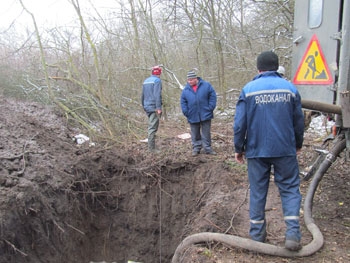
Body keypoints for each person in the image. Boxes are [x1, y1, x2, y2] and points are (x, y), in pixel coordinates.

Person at [233, 51, 305, 251]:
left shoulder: (248, 89)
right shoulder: (290, 89)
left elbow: (240, 124)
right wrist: (297, 143)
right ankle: (292, 234)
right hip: (284, 148)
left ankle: (257, 236)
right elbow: (299, 121)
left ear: (259, 69)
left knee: (258, 190)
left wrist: (239, 148)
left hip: (256, 149)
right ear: (276, 67)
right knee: (290, 189)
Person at [180, 70, 217, 156]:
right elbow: (183, 102)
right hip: (192, 114)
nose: (189, 81)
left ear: (196, 78)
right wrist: (186, 112)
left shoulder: (206, 85)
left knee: (206, 132)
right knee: (195, 133)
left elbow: (213, 96)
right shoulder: (185, 90)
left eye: (191, 80)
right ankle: (196, 148)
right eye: (188, 80)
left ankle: (207, 148)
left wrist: (210, 107)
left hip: (205, 113)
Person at [141, 65, 163, 152]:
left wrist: (143, 105)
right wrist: (158, 107)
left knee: (151, 126)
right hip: (153, 107)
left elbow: (142, 95)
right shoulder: (157, 81)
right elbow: (157, 95)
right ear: (159, 73)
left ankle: (152, 147)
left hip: (147, 106)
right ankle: (151, 148)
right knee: (153, 127)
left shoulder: (146, 81)